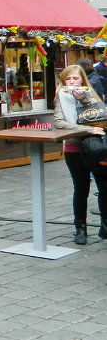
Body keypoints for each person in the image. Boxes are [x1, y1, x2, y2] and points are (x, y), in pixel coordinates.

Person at [52, 65, 107, 245]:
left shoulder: (91, 95)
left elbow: (100, 117)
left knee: (104, 187)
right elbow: (59, 122)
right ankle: (80, 228)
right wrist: (88, 129)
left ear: (82, 80)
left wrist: (85, 101)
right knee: (81, 188)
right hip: (74, 147)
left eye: (75, 79)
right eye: (68, 79)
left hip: (96, 148)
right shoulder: (61, 96)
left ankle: (105, 226)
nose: (72, 82)